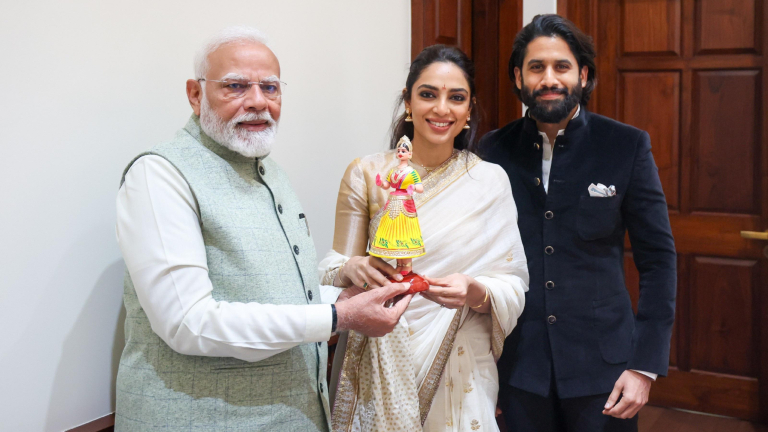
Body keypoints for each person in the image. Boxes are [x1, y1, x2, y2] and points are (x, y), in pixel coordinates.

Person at [114, 26, 412, 432]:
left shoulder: (270, 172)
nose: (258, 102)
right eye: (236, 86)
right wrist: (338, 316)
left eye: (270, 88)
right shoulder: (159, 175)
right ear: (195, 94)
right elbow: (189, 323)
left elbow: (270, 292)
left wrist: (342, 295)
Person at [480, 14, 677, 432]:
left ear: (583, 75)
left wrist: (645, 365)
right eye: (536, 67)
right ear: (519, 77)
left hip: (605, 370)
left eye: (561, 66)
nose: (549, 78)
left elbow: (658, 261)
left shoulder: (625, 145)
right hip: (516, 369)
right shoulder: (492, 150)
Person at [320, 45, 529, 431]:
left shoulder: (489, 180)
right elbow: (332, 268)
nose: (441, 108)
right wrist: (355, 266)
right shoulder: (366, 173)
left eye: (457, 98)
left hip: (460, 356)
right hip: (379, 348)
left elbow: (513, 283)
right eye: (428, 94)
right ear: (408, 101)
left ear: (469, 110)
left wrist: (474, 291)